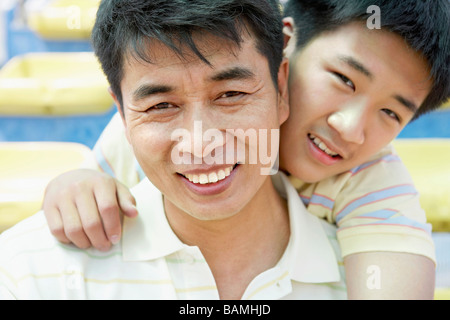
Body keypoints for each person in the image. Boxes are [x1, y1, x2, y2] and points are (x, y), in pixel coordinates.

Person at [41, 0, 450, 299]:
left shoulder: (371, 178)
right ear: (286, 46)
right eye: (344, 80)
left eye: (391, 113)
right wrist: (74, 185)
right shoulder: (164, 122)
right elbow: (94, 186)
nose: (350, 128)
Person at [0, 0, 348, 300]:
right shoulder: (28, 272)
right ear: (122, 114)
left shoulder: (370, 274)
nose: (199, 143)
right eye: (161, 105)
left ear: (281, 89)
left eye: (231, 94)